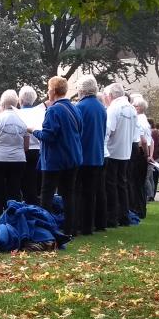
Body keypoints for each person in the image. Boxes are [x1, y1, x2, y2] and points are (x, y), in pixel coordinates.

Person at [31, 74, 83, 237]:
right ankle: (71, 229)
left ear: (53, 91)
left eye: (48, 89)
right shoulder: (75, 108)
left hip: (54, 160)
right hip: (73, 157)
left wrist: (33, 131)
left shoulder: (53, 110)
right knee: (69, 195)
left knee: (46, 195)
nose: (47, 92)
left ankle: (46, 229)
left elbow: (49, 135)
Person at [0, 89, 29, 219]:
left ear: (2, 104)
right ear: (17, 103)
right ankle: (14, 220)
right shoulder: (23, 120)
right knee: (14, 191)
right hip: (18, 159)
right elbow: (26, 146)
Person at [70, 76, 106, 234]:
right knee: (92, 192)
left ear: (82, 90)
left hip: (82, 154)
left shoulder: (80, 107)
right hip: (97, 154)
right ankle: (90, 225)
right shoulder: (101, 107)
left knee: (77, 192)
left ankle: (78, 224)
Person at [103, 84, 136, 225]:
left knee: (111, 185)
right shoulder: (131, 108)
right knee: (122, 184)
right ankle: (124, 215)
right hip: (126, 151)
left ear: (110, 95)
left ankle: (113, 217)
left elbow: (108, 131)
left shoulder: (114, 109)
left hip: (112, 151)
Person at [18, 85, 42, 205]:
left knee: (22, 183)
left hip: (23, 151)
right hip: (37, 150)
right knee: (34, 183)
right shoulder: (40, 113)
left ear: (20, 99)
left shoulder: (17, 114)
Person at [129, 94, 152, 217]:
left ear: (139, 107)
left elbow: (143, 141)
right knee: (140, 184)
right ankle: (141, 209)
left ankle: (138, 210)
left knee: (136, 183)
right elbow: (150, 141)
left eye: (134, 105)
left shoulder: (139, 120)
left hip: (140, 152)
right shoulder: (145, 120)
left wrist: (146, 155)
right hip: (144, 153)